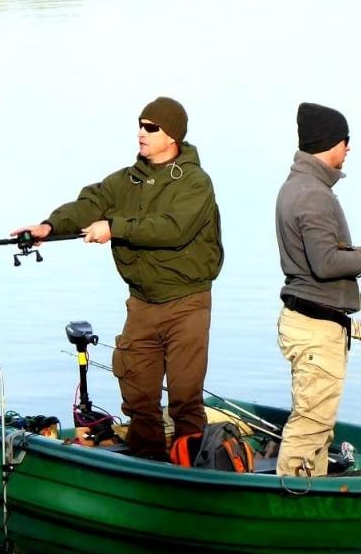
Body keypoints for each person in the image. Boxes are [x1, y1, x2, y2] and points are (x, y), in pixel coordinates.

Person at [13, 97, 223, 461]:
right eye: (140, 125)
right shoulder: (126, 180)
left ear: (171, 135)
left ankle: (191, 472)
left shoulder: (195, 183)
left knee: (185, 399)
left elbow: (173, 229)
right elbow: (88, 204)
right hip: (142, 304)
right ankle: (147, 469)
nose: (141, 133)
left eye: (151, 127)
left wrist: (114, 228)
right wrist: (48, 226)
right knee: (138, 395)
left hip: (187, 303)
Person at [273, 103, 361, 478]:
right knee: (310, 425)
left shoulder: (300, 186)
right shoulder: (312, 194)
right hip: (316, 328)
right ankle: (289, 508)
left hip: (310, 321)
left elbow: (324, 256)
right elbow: (326, 262)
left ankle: (307, 497)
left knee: (318, 426)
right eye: (346, 142)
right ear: (332, 143)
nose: (348, 150)